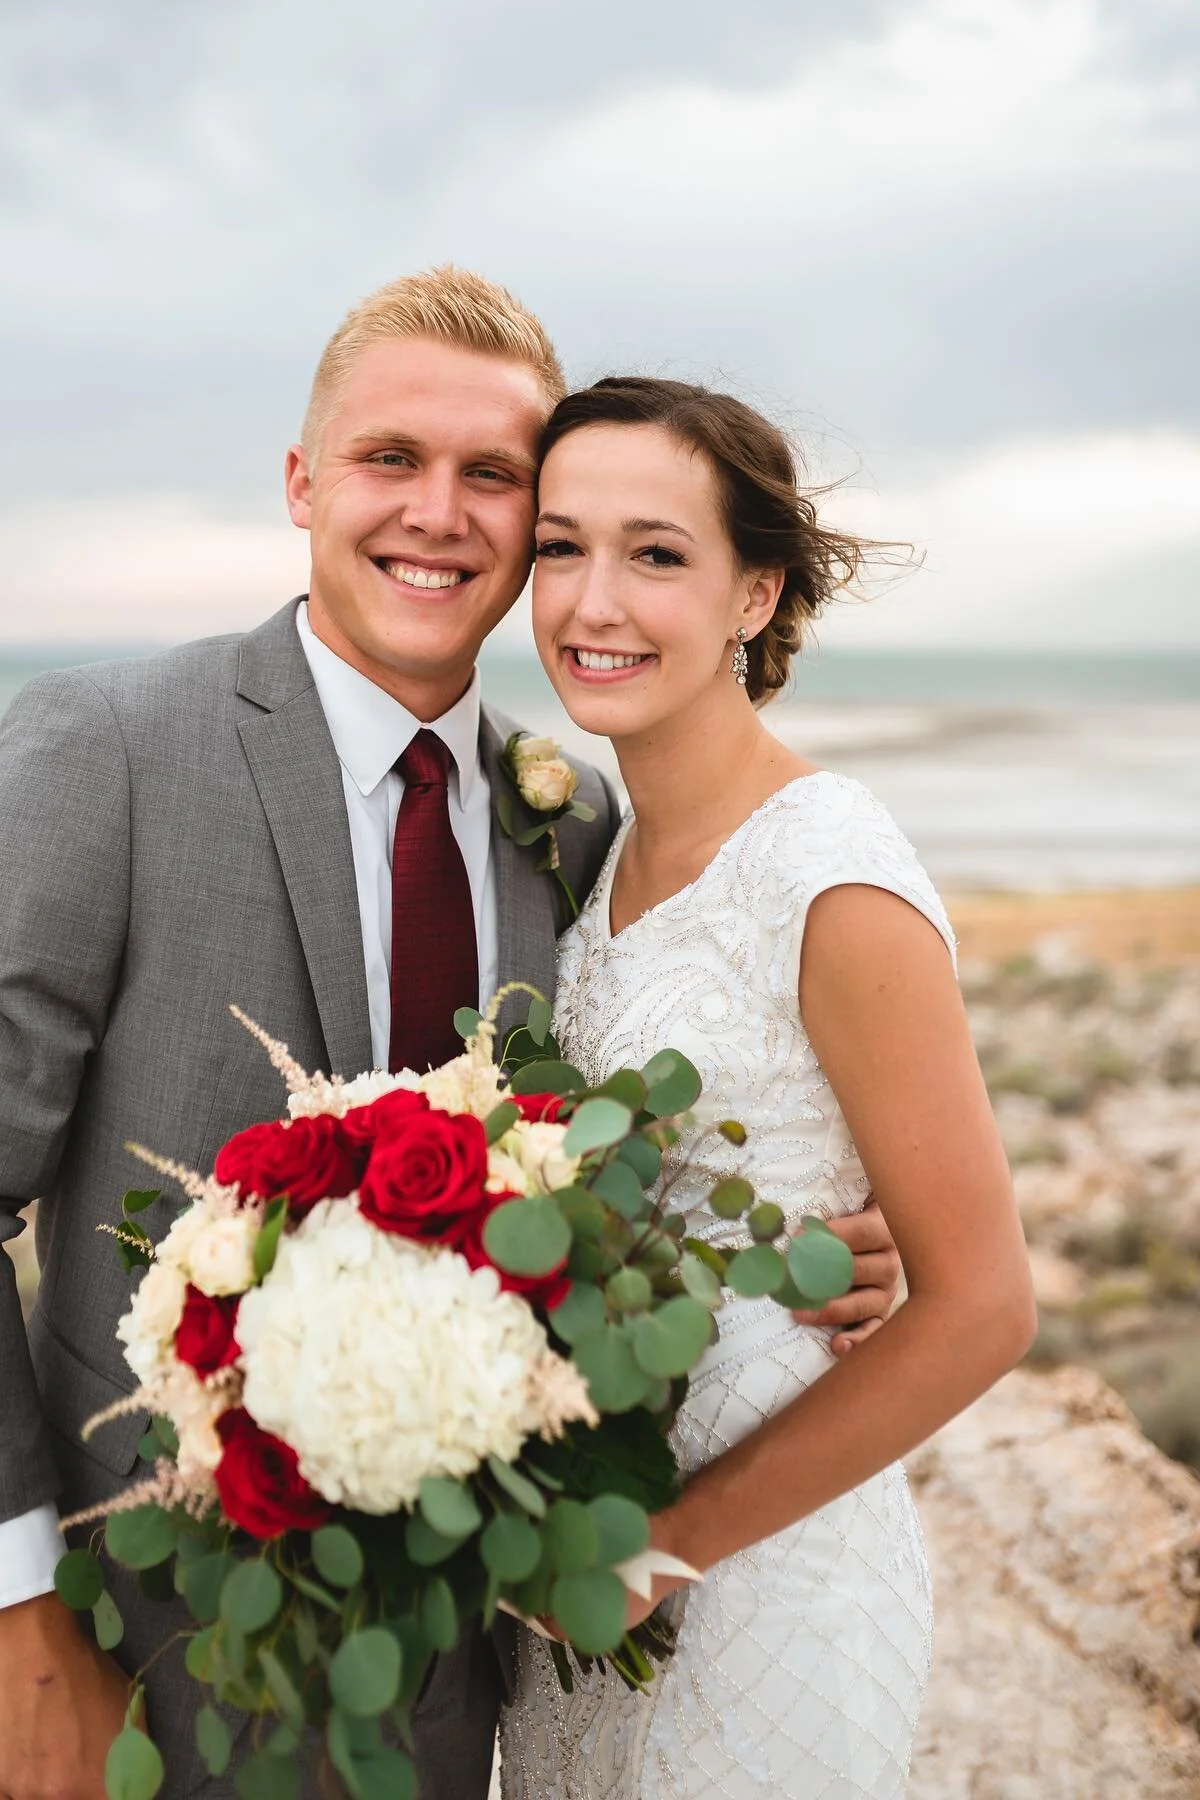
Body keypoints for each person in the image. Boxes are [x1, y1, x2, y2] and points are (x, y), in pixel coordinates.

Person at [0, 274, 903, 1800]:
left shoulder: (577, 820)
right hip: (153, 1645)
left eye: (495, 475)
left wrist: (808, 1242)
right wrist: (14, 1625)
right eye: (392, 458)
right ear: (302, 481)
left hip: (492, 1664)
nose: (439, 513)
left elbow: (605, 1175)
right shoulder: (108, 752)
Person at [497, 377, 1036, 1799]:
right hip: (587, 1574)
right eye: (560, 547)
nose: (592, 600)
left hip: (767, 1582)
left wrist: (663, 1545)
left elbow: (985, 1304)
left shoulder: (829, 868)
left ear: (756, 595)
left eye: (657, 554)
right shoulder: (594, 855)